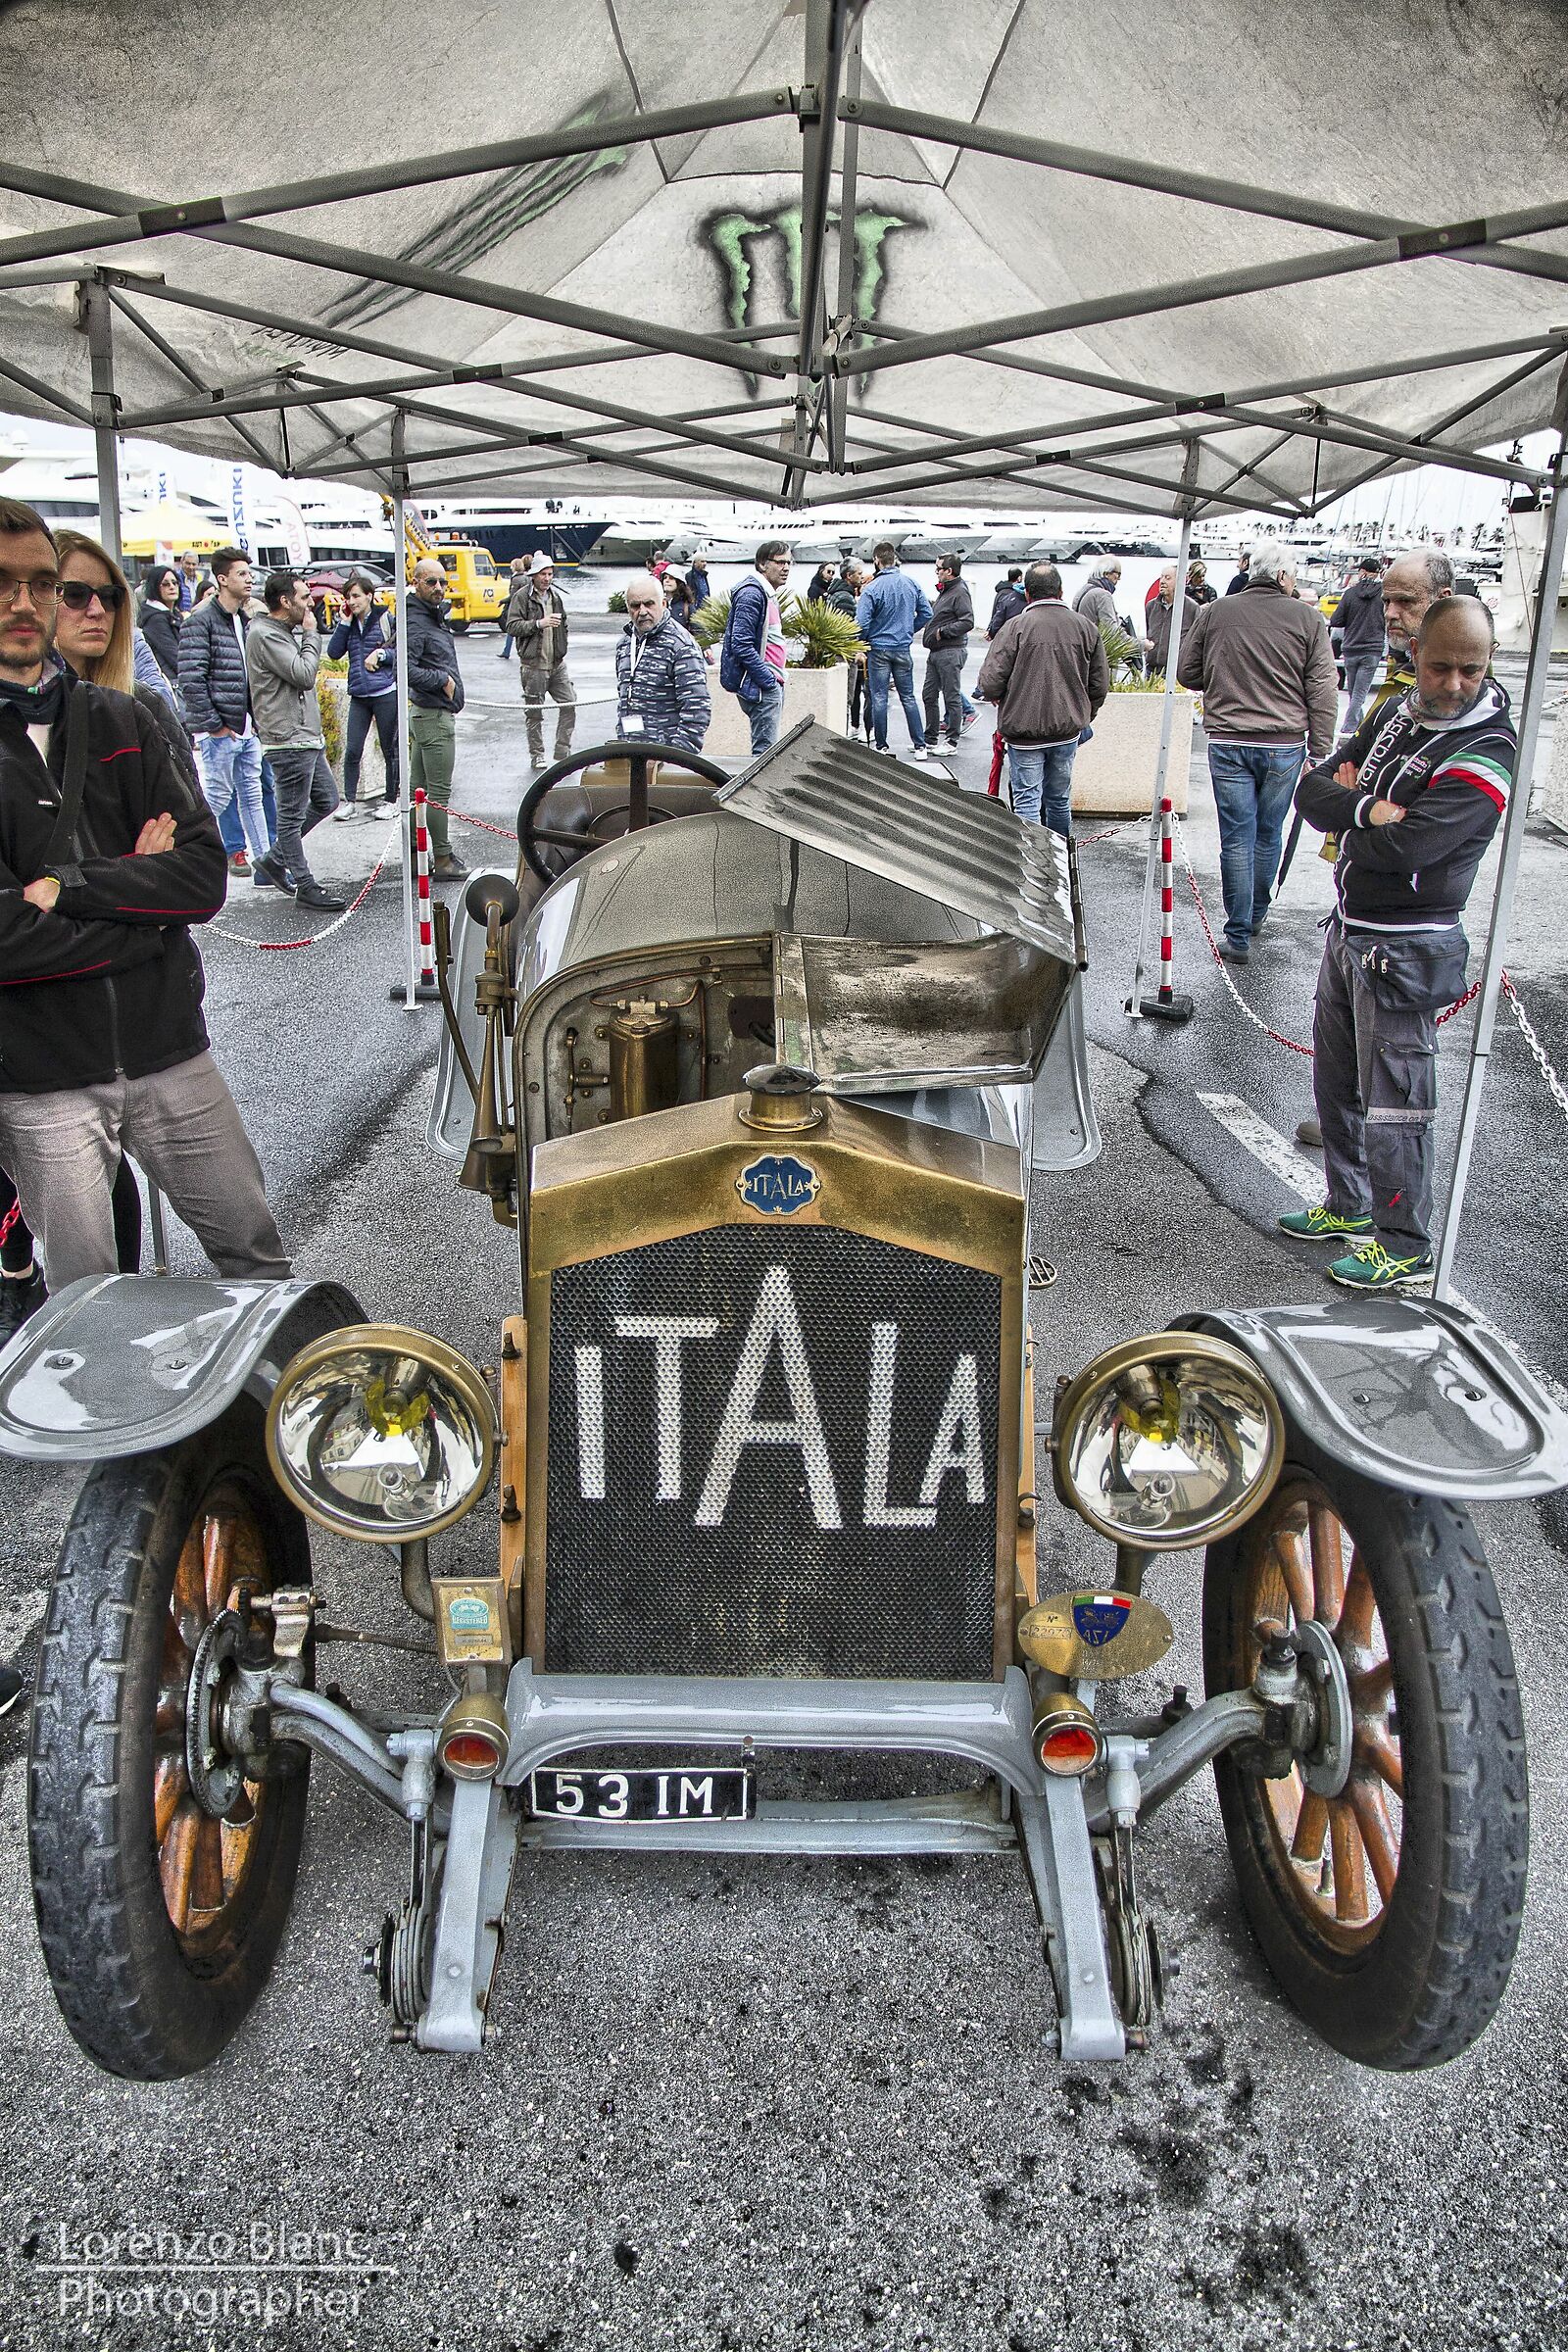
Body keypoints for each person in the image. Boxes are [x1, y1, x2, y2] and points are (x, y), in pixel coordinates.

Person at [0, 497, 288, 1297]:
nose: (24, 604)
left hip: (169, 1052)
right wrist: (141, 915)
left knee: (259, 1262)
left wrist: (67, 888)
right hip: (43, 1076)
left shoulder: (123, 717)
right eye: (2, 585)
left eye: (40, 584)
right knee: (88, 1301)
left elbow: (200, 877)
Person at [1283, 597, 1513, 1292]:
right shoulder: (1394, 713)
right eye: (1439, 666)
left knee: (1397, 1102)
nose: (1452, 683)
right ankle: (1348, 1205)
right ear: (1415, 655)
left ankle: (1404, 1241)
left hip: (1410, 949)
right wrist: (1366, 811)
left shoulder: (1490, 748)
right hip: (1350, 930)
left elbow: (1416, 844)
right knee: (1338, 1084)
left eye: (1469, 670)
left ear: (1488, 662)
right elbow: (1311, 790)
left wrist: (1356, 823)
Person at [1176, 543, 1338, 963]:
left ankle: (1239, 933)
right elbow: (1322, 688)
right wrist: (1321, 750)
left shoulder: (1216, 611)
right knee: (1269, 834)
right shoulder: (1308, 618)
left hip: (1229, 740)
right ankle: (1257, 913)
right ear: (1283, 577)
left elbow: (1186, 672)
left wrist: (1224, 680)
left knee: (1236, 837)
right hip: (1284, 745)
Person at [976, 564, 1108, 837]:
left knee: (1027, 801)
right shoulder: (1085, 627)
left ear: (1028, 595)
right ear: (1060, 591)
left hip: (1024, 732)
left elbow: (989, 684)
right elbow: (1099, 684)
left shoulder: (1015, 628)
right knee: (1059, 800)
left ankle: (1033, 868)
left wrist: (1000, 698)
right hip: (1067, 731)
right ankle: (1062, 859)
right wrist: (1082, 714)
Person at [246, 570, 344, 912]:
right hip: (287, 738)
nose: (309, 603)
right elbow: (303, 674)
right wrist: (312, 635)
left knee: (327, 800)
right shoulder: (264, 634)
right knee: (290, 816)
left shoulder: (280, 631)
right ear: (285, 601)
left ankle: (274, 860)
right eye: (303, 597)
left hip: (304, 736)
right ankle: (305, 884)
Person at [177, 544, 274, 884]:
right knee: (215, 798)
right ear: (222, 579)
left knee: (252, 795)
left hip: (246, 726)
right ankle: (183, 860)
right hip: (222, 729)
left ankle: (267, 868)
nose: (249, 580)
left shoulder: (244, 620)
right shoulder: (201, 621)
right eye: (242, 574)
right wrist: (215, 725)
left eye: (249, 573)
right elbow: (190, 677)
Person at [406, 555, 466, 878]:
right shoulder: (417, 620)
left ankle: (419, 854)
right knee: (437, 793)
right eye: (431, 582)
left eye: (443, 582)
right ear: (416, 583)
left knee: (419, 789)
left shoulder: (427, 615)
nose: (439, 587)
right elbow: (406, 668)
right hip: (433, 714)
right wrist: (442, 682)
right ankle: (442, 857)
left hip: (428, 714)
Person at [327, 572, 400, 819]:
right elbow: (334, 652)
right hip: (359, 693)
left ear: (369, 595)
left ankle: (391, 800)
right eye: (348, 597)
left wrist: (381, 656)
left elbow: (399, 652)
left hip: (384, 692)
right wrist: (344, 624)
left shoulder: (384, 618)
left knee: (390, 749)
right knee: (352, 749)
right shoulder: (349, 623)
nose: (352, 601)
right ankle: (349, 801)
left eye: (357, 595)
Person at [854, 541, 932, 756]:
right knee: (908, 697)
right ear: (894, 559)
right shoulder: (911, 583)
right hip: (903, 647)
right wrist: (908, 629)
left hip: (878, 648)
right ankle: (920, 746)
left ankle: (882, 745)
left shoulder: (872, 588)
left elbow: (861, 623)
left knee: (879, 697)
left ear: (876, 561)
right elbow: (926, 613)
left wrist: (863, 641)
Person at [615, 576, 710, 752]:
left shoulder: (681, 646)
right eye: (635, 606)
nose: (642, 611)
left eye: (649, 604)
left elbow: (697, 710)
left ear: (664, 604)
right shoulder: (625, 644)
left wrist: (676, 759)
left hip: (666, 758)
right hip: (629, 753)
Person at [720, 540, 793, 756]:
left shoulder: (766, 593)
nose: (786, 568)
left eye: (789, 562)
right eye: (780, 563)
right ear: (762, 564)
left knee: (766, 753)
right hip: (761, 687)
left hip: (768, 684)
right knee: (764, 756)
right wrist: (768, 681)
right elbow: (740, 643)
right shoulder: (752, 594)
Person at [504, 551, 573, 772]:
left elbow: (564, 624)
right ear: (534, 575)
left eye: (550, 574)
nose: (547, 578)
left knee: (570, 704)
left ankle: (562, 751)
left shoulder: (555, 597)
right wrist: (538, 624)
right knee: (534, 712)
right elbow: (511, 626)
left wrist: (563, 644)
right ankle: (537, 755)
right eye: (543, 574)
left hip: (557, 663)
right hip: (533, 665)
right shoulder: (522, 596)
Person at [920, 553, 974, 754]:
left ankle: (952, 742)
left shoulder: (960, 592)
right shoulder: (948, 591)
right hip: (937, 651)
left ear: (949, 571)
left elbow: (968, 621)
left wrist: (943, 632)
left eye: (938, 569)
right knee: (929, 695)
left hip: (950, 651)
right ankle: (930, 739)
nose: (936, 573)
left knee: (952, 697)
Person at [1333, 555, 1387, 738]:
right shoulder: (1384, 595)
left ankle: (1350, 727)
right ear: (1379, 573)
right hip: (1372, 649)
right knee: (1359, 694)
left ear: (1361, 572)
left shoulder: (1349, 594)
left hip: (1351, 648)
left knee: (1355, 693)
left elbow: (1336, 620)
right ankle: (1356, 724)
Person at [138, 564, 182, 687]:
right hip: (169, 684)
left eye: (175, 583)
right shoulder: (155, 619)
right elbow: (174, 657)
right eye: (166, 584)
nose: (172, 587)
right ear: (155, 587)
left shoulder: (174, 614)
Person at [1144, 564, 1179, 675]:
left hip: (1175, 671)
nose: (1162, 581)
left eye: (1167, 578)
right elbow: (1148, 632)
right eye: (1162, 577)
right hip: (1151, 670)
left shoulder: (1190, 608)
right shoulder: (1151, 606)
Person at [1071, 559, 1123, 634]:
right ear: (1106, 574)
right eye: (1118, 574)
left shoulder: (1083, 590)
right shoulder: (1103, 595)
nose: (1119, 578)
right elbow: (1111, 631)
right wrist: (1140, 644)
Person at [496, 557, 528, 661]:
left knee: (511, 629)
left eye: (512, 565)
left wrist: (502, 601)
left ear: (515, 566)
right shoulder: (527, 578)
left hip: (516, 607)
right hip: (525, 606)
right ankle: (516, 650)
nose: (510, 567)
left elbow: (513, 596)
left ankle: (507, 651)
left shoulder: (515, 579)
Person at [986, 568, 1026, 637]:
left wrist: (990, 629)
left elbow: (996, 612)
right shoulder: (1013, 594)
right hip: (1008, 631)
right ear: (1019, 578)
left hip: (1001, 630)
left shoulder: (1001, 591)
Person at [176, 548, 204, 612]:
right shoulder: (176, 578)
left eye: (194, 564)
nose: (191, 567)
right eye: (188, 563)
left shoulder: (200, 579)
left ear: (198, 565)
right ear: (181, 562)